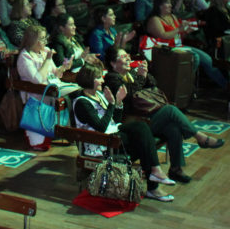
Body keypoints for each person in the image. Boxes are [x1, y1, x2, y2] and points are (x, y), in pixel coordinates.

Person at [104, 47, 222, 183]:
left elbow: (153, 84)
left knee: (173, 128)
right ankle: (199, 136)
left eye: (128, 55)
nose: (128, 58)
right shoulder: (111, 79)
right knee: (170, 110)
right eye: (124, 57)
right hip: (131, 123)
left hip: (146, 116)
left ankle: (176, 169)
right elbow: (129, 98)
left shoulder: (130, 73)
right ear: (113, 63)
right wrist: (140, 78)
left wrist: (145, 74)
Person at [71, 65, 174, 202]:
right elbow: (101, 127)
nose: (102, 80)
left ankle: (154, 177)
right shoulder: (82, 103)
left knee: (141, 130)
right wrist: (112, 105)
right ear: (89, 80)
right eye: (98, 78)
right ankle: (153, 185)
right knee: (142, 139)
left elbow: (115, 121)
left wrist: (118, 102)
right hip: (99, 143)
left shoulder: (99, 95)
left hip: (111, 138)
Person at [16, 25, 79, 151]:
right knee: (77, 93)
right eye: (42, 39)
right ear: (33, 40)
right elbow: (38, 79)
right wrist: (47, 60)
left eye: (45, 38)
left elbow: (56, 73)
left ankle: (71, 129)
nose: (45, 42)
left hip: (52, 88)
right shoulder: (25, 57)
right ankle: (68, 130)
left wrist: (65, 67)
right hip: (37, 94)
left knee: (79, 91)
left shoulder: (44, 52)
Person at [145, 0, 228, 89]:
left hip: (178, 46)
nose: (170, 5)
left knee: (208, 60)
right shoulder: (154, 20)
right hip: (164, 50)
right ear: (160, 6)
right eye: (167, 3)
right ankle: (185, 85)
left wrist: (185, 32)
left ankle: (226, 86)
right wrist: (178, 29)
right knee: (194, 57)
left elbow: (178, 36)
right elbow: (163, 36)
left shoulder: (172, 16)